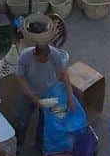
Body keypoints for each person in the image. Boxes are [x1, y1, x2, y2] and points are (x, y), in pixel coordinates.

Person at [14, 16, 75, 145]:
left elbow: (64, 74)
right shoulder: (25, 56)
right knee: (22, 120)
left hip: (48, 92)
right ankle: (18, 144)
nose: (45, 61)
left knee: (45, 121)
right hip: (30, 92)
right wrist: (34, 98)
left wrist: (70, 97)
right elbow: (20, 77)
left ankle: (39, 143)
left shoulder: (54, 55)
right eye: (42, 60)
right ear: (35, 55)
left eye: (47, 59)